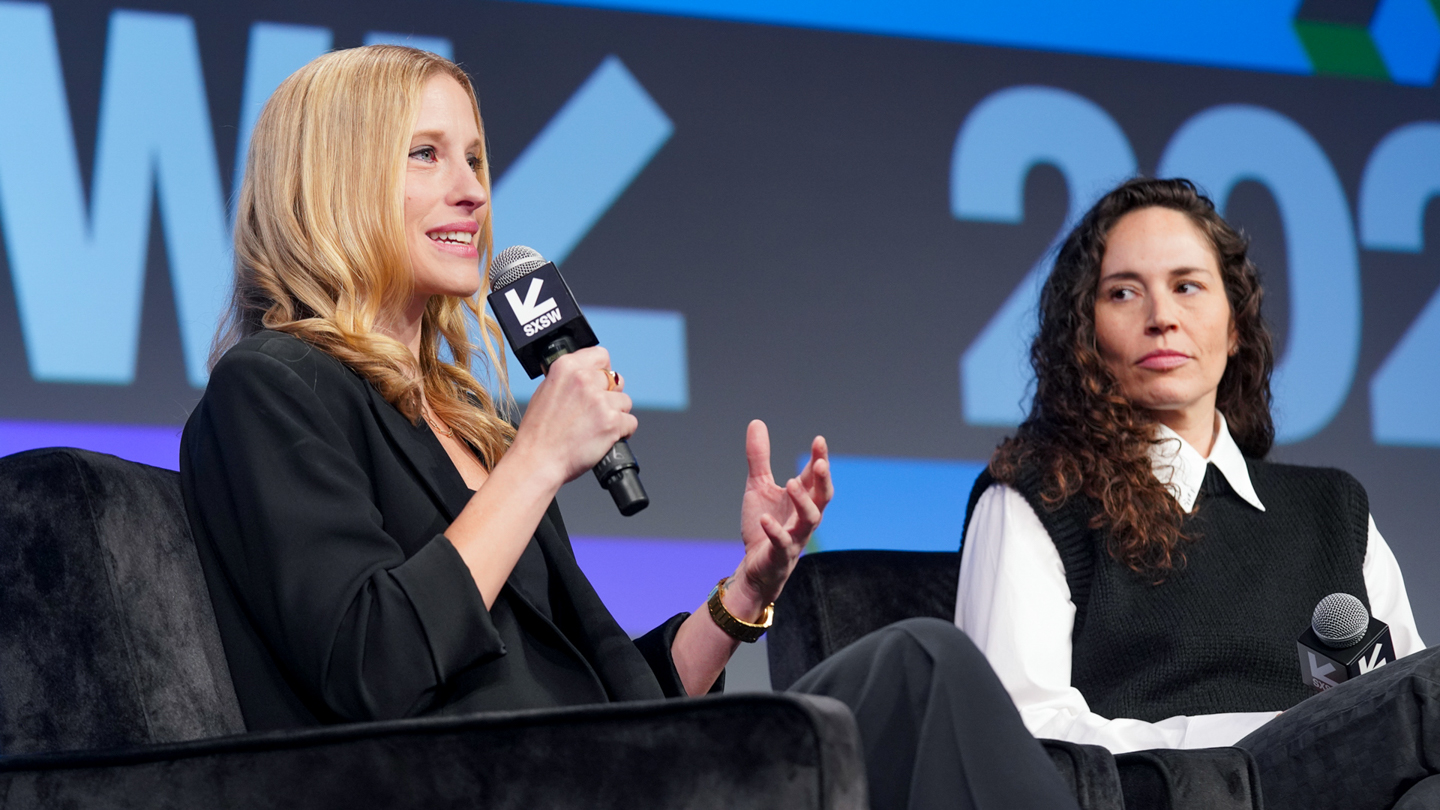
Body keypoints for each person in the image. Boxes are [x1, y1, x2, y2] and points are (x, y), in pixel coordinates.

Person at [180, 45, 1080, 810]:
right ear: (333, 180)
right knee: (920, 670)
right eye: (425, 155)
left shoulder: (471, 422)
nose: (470, 192)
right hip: (479, 786)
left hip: (602, 767)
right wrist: (534, 463)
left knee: (915, 674)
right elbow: (371, 666)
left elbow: (622, 696)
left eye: (477, 161)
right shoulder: (271, 388)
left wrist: (744, 594)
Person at [955, 176, 1440, 809]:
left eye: (1187, 286)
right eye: (1124, 292)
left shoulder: (1334, 510)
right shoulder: (1038, 499)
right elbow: (1020, 740)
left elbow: (1410, 711)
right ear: (1086, 334)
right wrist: (1276, 741)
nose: (1162, 317)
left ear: (1234, 324)